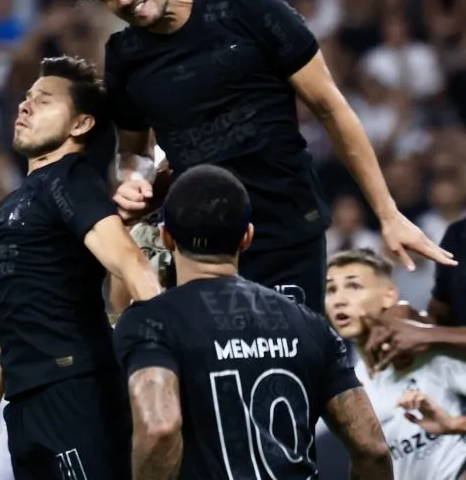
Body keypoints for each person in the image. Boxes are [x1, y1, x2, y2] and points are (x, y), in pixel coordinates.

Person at [64, 0, 455, 312]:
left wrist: (387, 213)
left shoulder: (249, 10)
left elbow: (330, 109)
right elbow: (134, 151)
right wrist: (135, 181)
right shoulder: (124, 56)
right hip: (200, 244)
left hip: (287, 229)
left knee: (292, 368)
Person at [115, 165, 393, 480]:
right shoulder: (309, 323)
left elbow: (159, 428)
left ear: (166, 237)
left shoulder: (151, 321)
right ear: (247, 237)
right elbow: (373, 448)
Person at [0, 55, 162, 480]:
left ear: (81, 125)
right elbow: (0, 332)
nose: (25, 106)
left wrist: (171, 366)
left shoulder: (71, 180)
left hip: (77, 393)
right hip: (24, 404)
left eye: (45, 100)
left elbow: (133, 266)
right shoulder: (9, 208)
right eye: (26, 98)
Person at [324, 248, 466, 479]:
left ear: (389, 296)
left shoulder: (430, 354)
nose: (339, 300)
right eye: (331, 289)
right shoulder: (354, 383)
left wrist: (454, 424)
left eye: (354, 286)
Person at [359, 215, 466, 371]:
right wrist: (407, 316)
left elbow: (434, 332)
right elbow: (441, 317)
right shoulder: (457, 234)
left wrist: (428, 335)